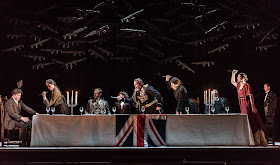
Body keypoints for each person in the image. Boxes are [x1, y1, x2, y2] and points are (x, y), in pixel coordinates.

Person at [231, 70, 268, 146]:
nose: (237, 78)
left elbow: (251, 97)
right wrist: (233, 74)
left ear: (242, 78)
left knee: (250, 119)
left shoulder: (246, 85)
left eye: (238, 77)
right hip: (241, 104)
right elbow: (232, 82)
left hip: (246, 104)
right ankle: (247, 139)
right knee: (245, 119)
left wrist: (253, 106)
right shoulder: (238, 86)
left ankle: (255, 139)